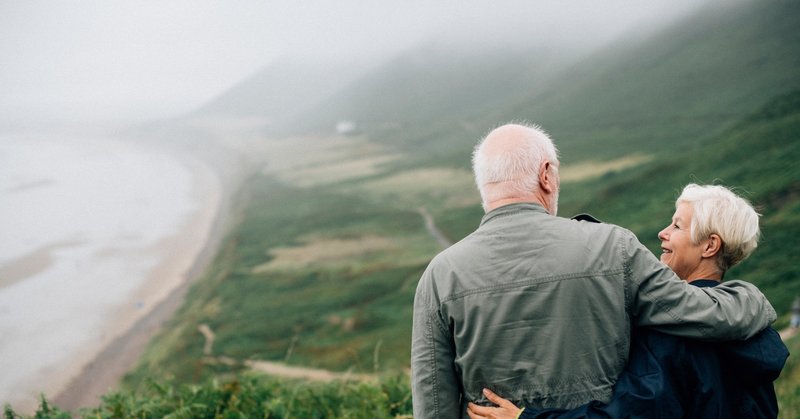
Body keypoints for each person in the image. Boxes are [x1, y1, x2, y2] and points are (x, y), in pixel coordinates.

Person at [410, 123, 777, 418]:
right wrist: (752, 298)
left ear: (483, 187)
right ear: (547, 175)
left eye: (677, 226)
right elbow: (699, 312)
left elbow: (434, 403)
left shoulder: (439, 275)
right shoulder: (613, 248)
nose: (665, 233)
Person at [466, 184, 788, 419]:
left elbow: (627, 414)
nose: (663, 232)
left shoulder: (672, 331)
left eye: (677, 225)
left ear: (709, 246)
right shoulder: (755, 329)